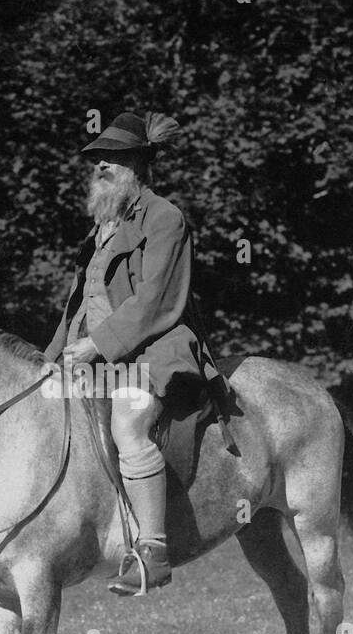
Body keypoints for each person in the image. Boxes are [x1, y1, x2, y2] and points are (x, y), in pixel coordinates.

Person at [43, 111, 223, 595]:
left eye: (113, 159)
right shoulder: (102, 227)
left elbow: (157, 301)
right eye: (97, 159)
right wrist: (51, 355)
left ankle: (154, 551)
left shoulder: (165, 218)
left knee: (127, 421)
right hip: (94, 356)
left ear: (140, 166)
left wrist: (97, 345)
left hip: (156, 349)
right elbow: (79, 303)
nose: (101, 166)